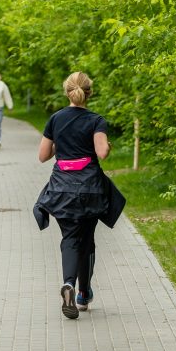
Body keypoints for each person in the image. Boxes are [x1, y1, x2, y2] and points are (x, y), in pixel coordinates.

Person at [33, 72, 121, 320]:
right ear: (89, 93)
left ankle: (69, 284)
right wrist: (107, 145)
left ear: (67, 92)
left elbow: (42, 155)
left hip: (61, 189)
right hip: (90, 189)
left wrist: (61, 145)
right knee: (87, 239)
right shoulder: (96, 120)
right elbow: (102, 152)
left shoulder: (55, 119)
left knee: (70, 238)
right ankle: (83, 294)